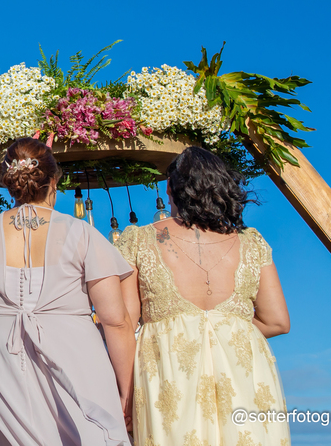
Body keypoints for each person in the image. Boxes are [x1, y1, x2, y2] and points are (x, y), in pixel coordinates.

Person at [0, 137, 136, 446]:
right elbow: (115, 319)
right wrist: (127, 389)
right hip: (76, 364)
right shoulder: (81, 233)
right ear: (54, 179)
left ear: (9, 183)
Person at [116, 146, 291, 446]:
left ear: (171, 188)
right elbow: (277, 322)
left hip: (168, 377)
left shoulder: (138, 240)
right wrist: (224, 331)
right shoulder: (253, 242)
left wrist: (124, 395)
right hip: (244, 380)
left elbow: (124, 326)